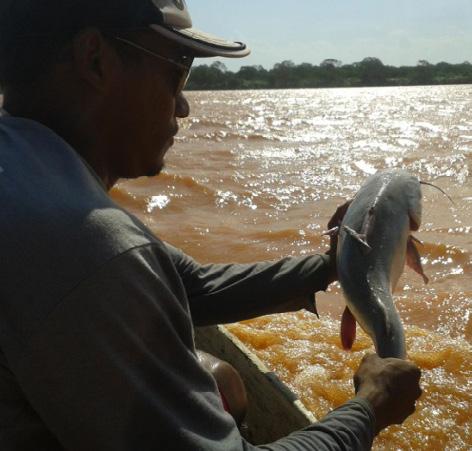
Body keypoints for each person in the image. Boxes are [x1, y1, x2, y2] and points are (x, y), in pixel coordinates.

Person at [0, 1, 422, 450]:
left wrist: (333, 263)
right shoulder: (83, 244)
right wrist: (369, 407)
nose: (182, 106)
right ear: (95, 60)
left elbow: (192, 287)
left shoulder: (30, 172)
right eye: (178, 70)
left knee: (223, 383)